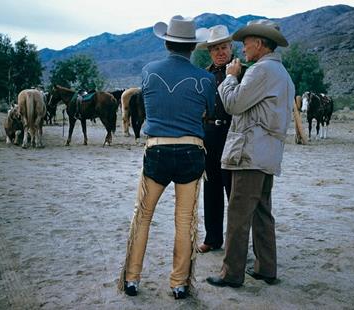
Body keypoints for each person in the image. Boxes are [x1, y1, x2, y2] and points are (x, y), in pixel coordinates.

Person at [118, 16, 216, 299]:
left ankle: (132, 278)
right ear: (192, 47)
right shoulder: (206, 79)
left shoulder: (149, 71)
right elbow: (208, 110)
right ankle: (179, 283)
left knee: (143, 216)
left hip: (157, 150)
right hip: (191, 151)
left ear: (167, 43)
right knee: (185, 221)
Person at [206, 19, 295, 288]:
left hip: (250, 154)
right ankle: (266, 268)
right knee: (262, 213)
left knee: (238, 215)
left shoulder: (260, 71)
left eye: (245, 43)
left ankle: (231, 273)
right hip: (268, 154)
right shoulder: (282, 73)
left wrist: (231, 77)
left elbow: (233, 103)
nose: (242, 48)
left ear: (258, 43)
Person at [196, 25, 246, 254]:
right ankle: (213, 238)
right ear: (209, 52)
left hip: (233, 135)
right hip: (209, 136)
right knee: (211, 189)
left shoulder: (242, 72)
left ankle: (237, 245)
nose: (220, 52)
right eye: (215, 48)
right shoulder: (204, 76)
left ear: (231, 47)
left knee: (234, 193)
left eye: (223, 47)